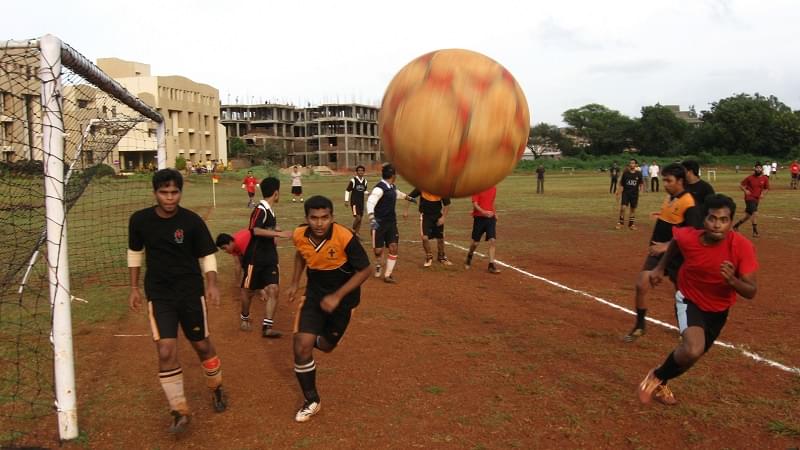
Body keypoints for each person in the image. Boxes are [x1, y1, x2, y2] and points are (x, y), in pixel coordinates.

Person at [127, 168, 226, 433]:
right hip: (159, 295)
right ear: (155, 193)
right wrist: (134, 287)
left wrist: (212, 284)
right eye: (164, 192)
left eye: (174, 192)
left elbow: (207, 256)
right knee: (166, 350)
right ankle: (179, 410)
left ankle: (216, 387)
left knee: (202, 346)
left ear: (180, 192)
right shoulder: (139, 220)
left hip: (191, 293)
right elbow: (135, 253)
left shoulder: (192, 221)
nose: (170, 198)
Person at [639, 194, 758, 405]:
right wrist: (660, 267)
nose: (717, 225)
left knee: (692, 356)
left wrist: (732, 280)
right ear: (704, 220)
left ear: (731, 221)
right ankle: (656, 376)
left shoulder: (742, 247)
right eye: (712, 218)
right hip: (689, 298)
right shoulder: (690, 237)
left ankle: (662, 381)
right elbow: (677, 240)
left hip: (719, 308)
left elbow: (750, 291)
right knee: (692, 348)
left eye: (724, 220)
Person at [287, 196, 372, 422]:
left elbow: (365, 271)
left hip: (344, 300)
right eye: (313, 218)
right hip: (314, 296)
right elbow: (301, 254)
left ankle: (320, 336)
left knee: (325, 346)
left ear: (332, 217)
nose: (319, 223)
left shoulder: (345, 237)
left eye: (324, 218)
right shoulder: (299, 235)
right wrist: (295, 282)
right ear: (307, 218)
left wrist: (337, 296)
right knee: (301, 346)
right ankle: (312, 400)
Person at [624, 163, 696, 342]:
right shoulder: (670, 197)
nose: (665, 184)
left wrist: (666, 246)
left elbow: (693, 231)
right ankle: (640, 326)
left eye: (668, 180)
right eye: (663, 180)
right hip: (657, 254)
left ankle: (685, 328)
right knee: (642, 284)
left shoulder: (689, 202)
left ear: (680, 181)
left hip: (678, 255)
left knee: (682, 293)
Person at [241, 177, 294, 336]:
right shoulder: (260, 209)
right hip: (255, 257)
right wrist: (279, 233)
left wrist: (274, 231)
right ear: (276, 193)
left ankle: (267, 327)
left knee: (273, 289)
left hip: (270, 257)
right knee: (248, 291)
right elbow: (255, 230)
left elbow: (266, 228)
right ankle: (244, 316)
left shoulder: (269, 210)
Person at [366, 164, 415, 283]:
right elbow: (370, 203)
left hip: (391, 223)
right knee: (378, 251)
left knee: (393, 247)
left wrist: (408, 198)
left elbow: (397, 193)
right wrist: (372, 219)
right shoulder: (379, 188)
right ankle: (378, 264)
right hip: (378, 223)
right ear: (393, 175)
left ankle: (388, 275)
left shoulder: (392, 187)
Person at [404, 188, 453, 267]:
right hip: (425, 216)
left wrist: (443, 218)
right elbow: (409, 197)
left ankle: (441, 257)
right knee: (425, 238)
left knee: (440, 238)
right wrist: (406, 211)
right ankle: (429, 257)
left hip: (437, 216)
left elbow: (447, 204)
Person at [465, 185, 501, 274]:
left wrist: (494, 213)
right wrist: (483, 212)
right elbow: (475, 204)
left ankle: (491, 265)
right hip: (479, 219)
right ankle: (470, 255)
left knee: (492, 240)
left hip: (490, 218)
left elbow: (491, 203)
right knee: (475, 243)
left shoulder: (493, 188)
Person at [733, 163, 769, 237]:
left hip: (757, 199)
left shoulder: (765, 178)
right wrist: (745, 190)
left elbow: (766, 188)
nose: (758, 169)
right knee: (755, 213)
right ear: (754, 169)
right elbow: (741, 185)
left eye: (760, 168)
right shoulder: (750, 178)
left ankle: (736, 226)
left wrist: (763, 194)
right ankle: (755, 232)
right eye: (757, 168)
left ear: (762, 169)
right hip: (749, 198)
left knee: (748, 216)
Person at [681, 160, 716, 228]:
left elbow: (712, 207)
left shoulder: (706, 188)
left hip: (699, 227)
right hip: (683, 226)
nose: (681, 173)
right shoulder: (681, 186)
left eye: (683, 171)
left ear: (690, 172)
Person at [616, 159, 643, 230]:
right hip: (626, 193)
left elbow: (641, 183)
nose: (631, 164)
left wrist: (641, 191)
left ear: (636, 165)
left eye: (633, 163)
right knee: (623, 208)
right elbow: (622, 184)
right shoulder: (625, 173)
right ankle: (620, 223)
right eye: (630, 163)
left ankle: (631, 224)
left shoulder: (639, 174)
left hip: (634, 194)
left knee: (633, 209)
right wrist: (618, 193)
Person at [344, 165, 368, 235]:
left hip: (361, 202)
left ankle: (356, 233)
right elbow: (347, 190)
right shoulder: (353, 180)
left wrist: (368, 193)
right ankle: (352, 230)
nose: (360, 172)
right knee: (358, 218)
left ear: (364, 172)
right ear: (356, 172)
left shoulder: (365, 181)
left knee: (360, 219)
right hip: (354, 202)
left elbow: (364, 190)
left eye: (362, 171)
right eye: (359, 171)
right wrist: (346, 200)